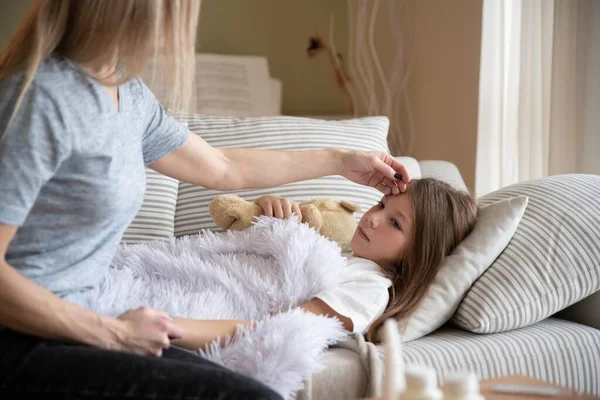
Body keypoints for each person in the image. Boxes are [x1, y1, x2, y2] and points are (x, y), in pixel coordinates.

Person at [0, 1, 411, 399]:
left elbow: (222, 166)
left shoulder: (125, 92)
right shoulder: (43, 99)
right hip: (20, 340)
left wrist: (340, 160)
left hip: (67, 330)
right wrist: (113, 333)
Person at [165, 177, 479, 350]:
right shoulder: (336, 254)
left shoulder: (370, 288)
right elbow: (243, 253)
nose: (372, 217)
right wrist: (269, 211)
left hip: (197, 316)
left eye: (395, 223)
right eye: (381, 204)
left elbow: (277, 327)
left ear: (418, 254)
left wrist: (173, 327)